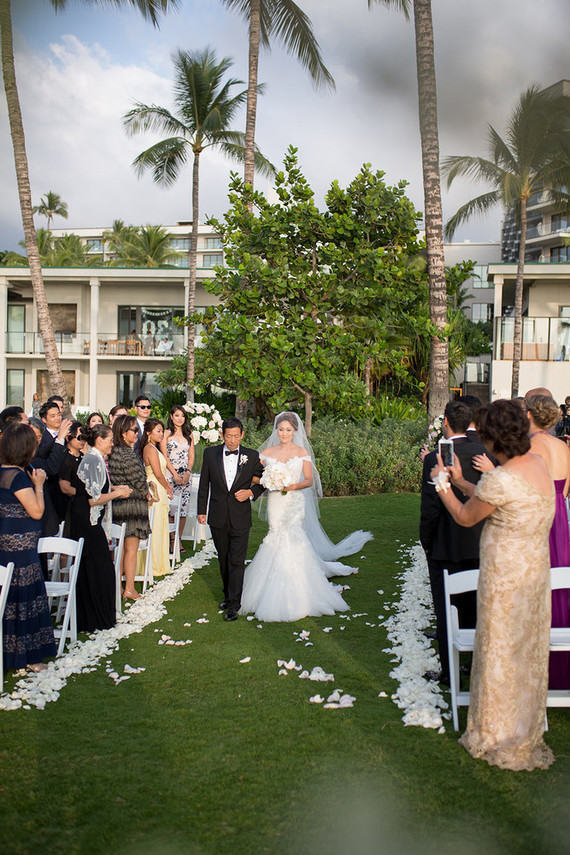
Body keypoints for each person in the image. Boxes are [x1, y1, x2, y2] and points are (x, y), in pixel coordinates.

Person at [431, 399, 555, 771]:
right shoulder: (537, 465)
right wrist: (462, 480)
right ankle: (523, 728)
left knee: (499, 649)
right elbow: (494, 496)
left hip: (504, 577)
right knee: (525, 650)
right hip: (535, 573)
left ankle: (496, 732)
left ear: (495, 438)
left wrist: (441, 484)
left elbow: (466, 517)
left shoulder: (501, 478)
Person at [240, 412, 352, 623]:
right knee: (275, 534)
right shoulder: (266, 453)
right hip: (276, 500)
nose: (284, 433)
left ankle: (302, 590)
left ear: (294, 431)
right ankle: (265, 589)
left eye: (288, 430)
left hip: (294, 501)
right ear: (276, 430)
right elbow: (254, 475)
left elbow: (309, 480)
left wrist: (291, 485)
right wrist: (268, 480)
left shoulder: (301, 453)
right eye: (280, 429)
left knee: (294, 537)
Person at [420, 400, 487, 685]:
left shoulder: (436, 458)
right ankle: (475, 666)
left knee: (446, 608)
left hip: (445, 544)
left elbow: (431, 507)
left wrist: (426, 539)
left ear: (446, 421)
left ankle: (449, 672)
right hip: (481, 544)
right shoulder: (486, 453)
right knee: (477, 606)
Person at [0, 422, 57, 672]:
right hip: (20, 551)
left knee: (9, 603)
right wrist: (39, 485)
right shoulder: (18, 477)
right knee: (25, 604)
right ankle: (29, 657)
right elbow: (36, 511)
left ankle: (11, 655)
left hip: (7, 547)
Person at [197, 417, 264, 621]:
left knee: (237, 560)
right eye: (229, 436)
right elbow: (204, 484)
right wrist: (201, 510)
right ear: (222, 435)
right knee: (224, 558)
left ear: (242, 435)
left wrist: (250, 493)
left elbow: (266, 480)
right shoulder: (210, 453)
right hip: (217, 514)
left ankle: (234, 605)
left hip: (240, 516)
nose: (233, 440)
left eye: (236, 436)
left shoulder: (251, 456)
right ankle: (228, 595)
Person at [525, 394, 570, 689]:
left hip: (539, 515)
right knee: (561, 584)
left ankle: (537, 670)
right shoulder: (563, 447)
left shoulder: (531, 446)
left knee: (536, 585)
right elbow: (565, 489)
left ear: (529, 415)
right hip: (560, 516)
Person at [70, 424, 131, 633]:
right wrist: (118, 494)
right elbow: (93, 499)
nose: (113, 443)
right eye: (110, 440)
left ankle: (90, 619)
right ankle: (98, 618)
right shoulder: (94, 459)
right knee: (101, 569)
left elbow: (95, 487)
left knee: (93, 569)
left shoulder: (94, 458)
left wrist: (115, 488)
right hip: (86, 521)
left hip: (84, 519)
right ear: (100, 441)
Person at [109, 415, 150, 600]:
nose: (137, 433)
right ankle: (130, 588)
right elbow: (140, 484)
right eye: (134, 430)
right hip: (132, 507)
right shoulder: (127, 454)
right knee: (130, 550)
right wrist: (148, 491)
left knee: (120, 550)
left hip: (118, 506)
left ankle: (117, 587)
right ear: (124, 433)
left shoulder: (114, 452)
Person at [139, 418, 172, 578]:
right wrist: (167, 487)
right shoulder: (150, 449)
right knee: (156, 525)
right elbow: (158, 473)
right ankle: (152, 564)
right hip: (155, 488)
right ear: (148, 433)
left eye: (161, 431)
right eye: (158, 431)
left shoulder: (153, 448)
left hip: (158, 486)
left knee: (160, 524)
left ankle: (158, 562)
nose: (161, 434)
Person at [160, 405, 195, 547]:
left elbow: (192, 456)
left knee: (183, 509)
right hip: (170, 474)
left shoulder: (189, 434)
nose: (180, 418)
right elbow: (164, 456)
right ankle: (172, 538)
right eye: (177, 415)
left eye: (182, 416)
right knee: (171, 509)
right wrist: (174, 474)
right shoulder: (166, 434)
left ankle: (178, 539)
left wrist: (187, 472)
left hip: (186, 475)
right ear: (171, 416)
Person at [58, 421, 86, 532]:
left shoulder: (83, 457)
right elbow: (65, 488)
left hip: (82, 508)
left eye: (85, 437)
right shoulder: (64, 458)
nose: (83, 441)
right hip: (68, 509)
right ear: (68, 437)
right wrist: (85, 493)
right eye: (80, 437)